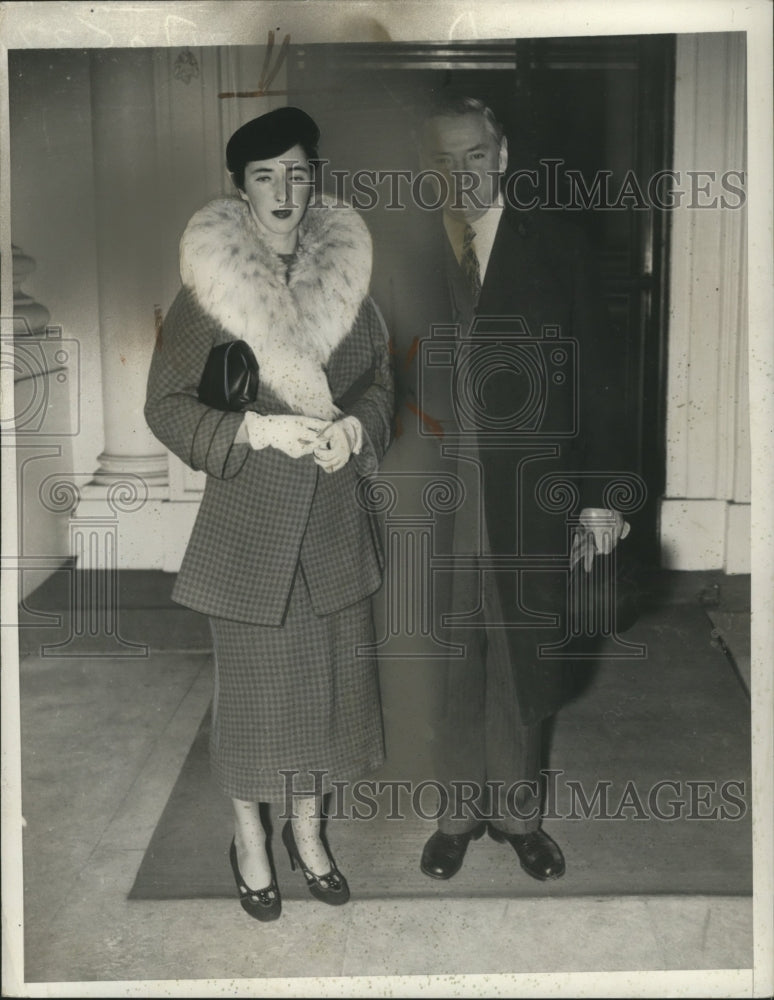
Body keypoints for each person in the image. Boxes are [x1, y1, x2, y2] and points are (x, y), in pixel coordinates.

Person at [145, 107, 394, 921]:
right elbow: (166, 406)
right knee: (255, 707)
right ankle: (249, 838)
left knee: (328, 698)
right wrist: (250, 427)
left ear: (313, 177)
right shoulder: (211, 292)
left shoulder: (349, 278)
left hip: (331, 529)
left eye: (297, 172)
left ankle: (308, 831)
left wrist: (358, 428)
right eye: (265, 176)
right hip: (249, 533)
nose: (285, 191)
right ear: (240, 187)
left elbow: (383, 382)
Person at [415, 95, 632, 882]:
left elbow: (604, 382)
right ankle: (453, 817)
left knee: (517, 657)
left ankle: (518, 818)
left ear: (501, 155)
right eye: (444, 158)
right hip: (435, 498)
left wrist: (603, 496)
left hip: (530, 493)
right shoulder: (407, 255)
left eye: (474, 154)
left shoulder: (560, 250)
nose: (461, 171)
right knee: (445, 655)